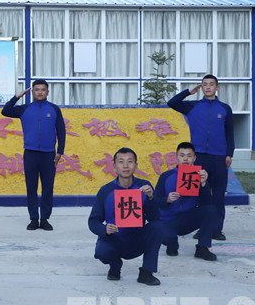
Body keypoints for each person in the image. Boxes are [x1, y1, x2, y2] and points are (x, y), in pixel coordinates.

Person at [167, 74, 234, 240]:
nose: (208, 87)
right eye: (205, 84)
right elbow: (172, 103)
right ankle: (203, 228)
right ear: (201, 87)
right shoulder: (192, 106)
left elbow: (230, 133)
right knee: (201, 194)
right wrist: (188, 92)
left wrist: (229, 154)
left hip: (219, 157)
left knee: (218, 194)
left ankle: (216, 229)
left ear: (217, 88)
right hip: (199, 158)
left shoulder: (225, 109)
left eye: (211, 84)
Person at [88, 148, 163, 285]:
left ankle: (146, 273)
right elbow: (93, 221)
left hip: (137, 239)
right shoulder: (106, 191)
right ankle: (115, 266)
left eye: (130, 161)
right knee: (102, 252)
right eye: (121, 162)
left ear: (136, 165)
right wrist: (105, 229)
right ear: (114, 166)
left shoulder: (144, 187)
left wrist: (151, 198)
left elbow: (154, 218)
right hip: (114, 239)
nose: (126, 166)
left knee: (158, 227)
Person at [1, 79, 65, 231]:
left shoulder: (54, 109)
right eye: (37, 90)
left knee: (48, 188)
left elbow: (61, 131)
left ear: (47, 92)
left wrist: (60, 151)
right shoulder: (25, 109)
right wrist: (17, 96)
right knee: (31, 187)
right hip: (30, 154)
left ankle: (45, 219)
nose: (40, 92)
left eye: (43, 89)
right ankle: (34, 219)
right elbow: (5, 110)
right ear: (32, 92)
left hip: (49, 154)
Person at [153, 142, 218, 261]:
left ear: (194, 158)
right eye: (182, 155)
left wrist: (204, 184)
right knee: (170, 240)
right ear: (176, 157)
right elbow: (155, 201)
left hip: (187, 219)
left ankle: (202, 248)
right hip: (168, 221)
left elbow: (207, 202)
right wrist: (167, 200)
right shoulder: (166, 176)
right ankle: (172, 245)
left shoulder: (199, 176)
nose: (185, 159)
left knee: (210, 210)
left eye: (189, 155)